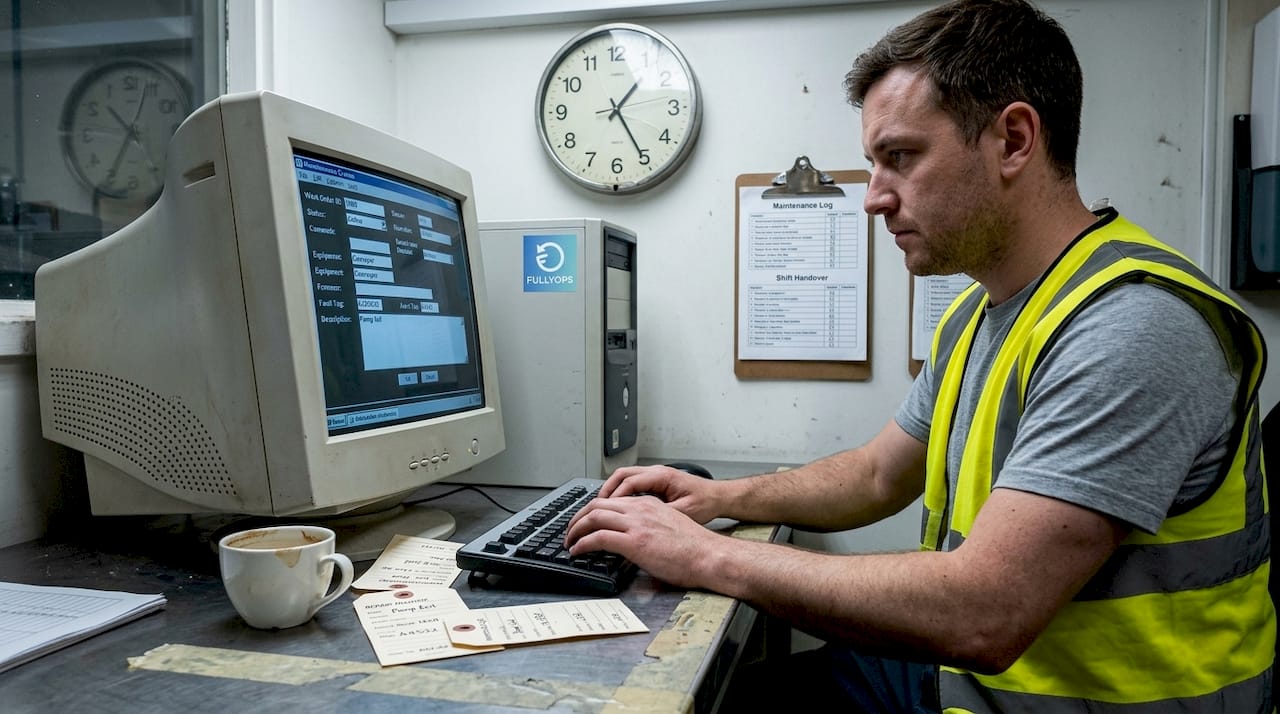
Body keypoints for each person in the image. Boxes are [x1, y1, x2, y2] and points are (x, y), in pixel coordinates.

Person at [565, 0, 1274, 711]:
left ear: (1014, 140)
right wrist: (719, 498)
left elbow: (983, 612)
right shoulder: (976, 315)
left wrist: (705, 555)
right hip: (968, 686)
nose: (873, 199)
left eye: (900, 157)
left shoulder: (1133, 325)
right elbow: (878, 474)